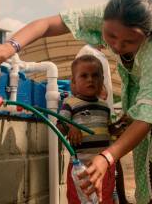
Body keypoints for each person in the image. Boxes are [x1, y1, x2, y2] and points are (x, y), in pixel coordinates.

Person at [0, 0, 152, 204]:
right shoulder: (107, 14)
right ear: (104, 22)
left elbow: (146, 119)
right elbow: (47, 24)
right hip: (140, 85)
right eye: (111, 36)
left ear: (146, 36)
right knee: (142, 152)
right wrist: (7, 49)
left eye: (129, 42)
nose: (117, 46)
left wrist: (106, 158)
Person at [57, 55, 115, 204]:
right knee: (79, 199)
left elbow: (109, 131)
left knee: (104, 198)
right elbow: (59, 126)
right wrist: (71, 126)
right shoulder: (70, 103)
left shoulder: (104, 106)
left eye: (95, 75)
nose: (90, 79)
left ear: (102, 81)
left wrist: (119, 129)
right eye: (84, 76)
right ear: (74, 83)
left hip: (103, 167)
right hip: (80, 166)